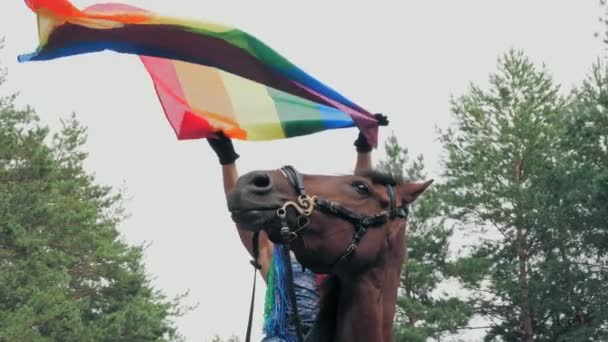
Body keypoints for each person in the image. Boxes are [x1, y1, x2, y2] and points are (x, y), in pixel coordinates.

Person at [207, 115, 386, 340]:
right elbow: (242, 216)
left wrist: (364, 148)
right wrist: (227, 159)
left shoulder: (334, 258)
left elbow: (359, 204)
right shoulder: (275, 256)